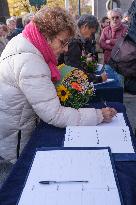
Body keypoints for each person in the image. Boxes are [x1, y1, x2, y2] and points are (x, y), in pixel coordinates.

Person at [0, 7, 117, 163]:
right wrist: (98, 115)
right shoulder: (30, 62)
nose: (66, 48)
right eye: (63, 42)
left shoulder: (24, 41)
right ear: (46, 36)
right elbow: (54, 114)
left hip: (17, 125)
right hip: (19, 137)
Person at [58, 14, 107, 83]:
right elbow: (75, 71)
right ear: (85, 26)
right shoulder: (74, 42)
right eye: (91, 33)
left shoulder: (73, 36)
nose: (90, 37)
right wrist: (99, 79)